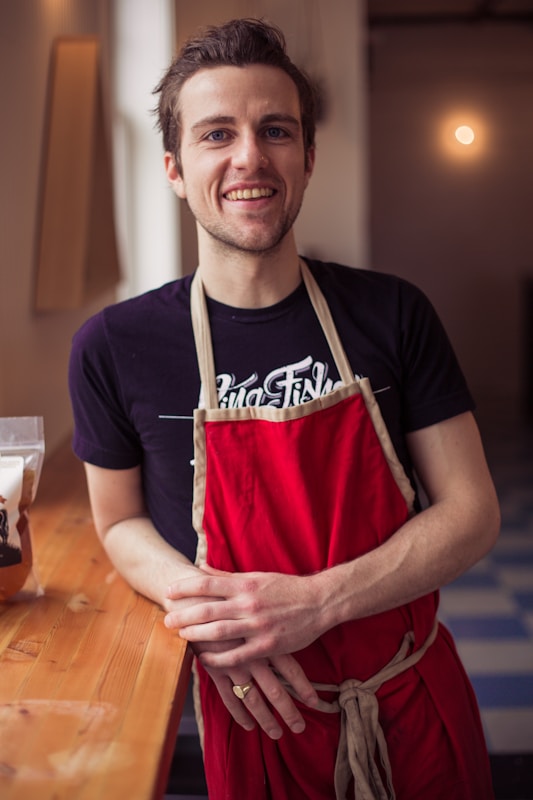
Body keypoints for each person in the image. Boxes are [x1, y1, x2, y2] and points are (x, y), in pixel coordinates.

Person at [68, 17, 500, 800]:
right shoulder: (113, 345)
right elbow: (118, 523)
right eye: (215, 134)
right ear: (172, 167)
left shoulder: (393, 313)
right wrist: (216, 620)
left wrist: (314, 604)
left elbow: (471, 512)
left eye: (275, 130)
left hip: (410, 701)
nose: (249, 158)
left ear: (307, 156)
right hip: (251, 718)